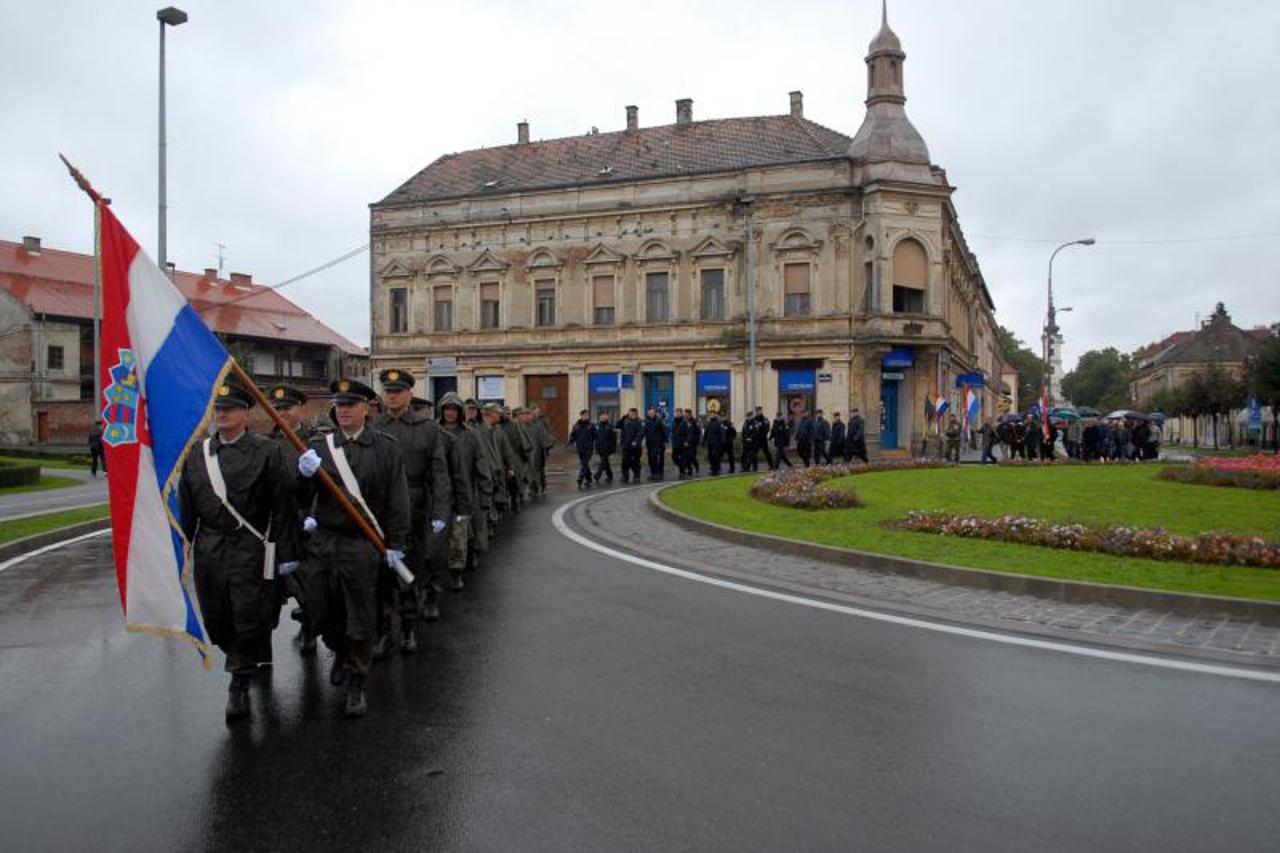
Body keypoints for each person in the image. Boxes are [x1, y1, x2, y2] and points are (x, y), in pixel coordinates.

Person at [179, 377, 301, 720]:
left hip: (251, 547)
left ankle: (239, 680)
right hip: (211, 550)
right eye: (218, 409)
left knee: (249, 614)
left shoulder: (267, 451)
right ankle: (240, 656)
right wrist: (182, 549)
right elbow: (187, 506)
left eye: (230, 409)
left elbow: (282, 506)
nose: (223, 414)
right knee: (217, 616)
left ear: (246, 413)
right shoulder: (198, 454)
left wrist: (288, 555)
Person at [296, 378, 410, 718]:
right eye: (338, 404)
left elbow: (397, 499)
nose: (343, 409)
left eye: (350, 404)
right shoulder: (319, 446)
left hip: (363, 544)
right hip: (325, 541)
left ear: (366, 409)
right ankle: (341, 653)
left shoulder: (385, 448)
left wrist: (397, 543)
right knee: (322, 608)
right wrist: (304, 477)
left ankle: (357, 679)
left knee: (360, 614)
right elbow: (301, 499)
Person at [371, 369, 450, 655]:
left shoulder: (427, 429)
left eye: (397, 392)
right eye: (388, 392)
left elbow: (439, 474)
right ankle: (381, 632)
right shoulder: (373, 428)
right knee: (379, 577)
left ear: (409, 395)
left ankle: (407, 628)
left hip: (414, 511)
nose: (392, 397)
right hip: (378, 514)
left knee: (408, 574)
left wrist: (440, 512)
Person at [265, 383, 319, 655]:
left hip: (302, 521)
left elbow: (325, 486)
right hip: (273, 524)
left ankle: (310, 626)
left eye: (286, 408)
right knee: (270, 586)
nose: (281, 413)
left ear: (300, 409)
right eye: (277, 409)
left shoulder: (315, 442)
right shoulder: (265, 444)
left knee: (305, 582)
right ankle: (260, 646)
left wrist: (313, 516)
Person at [438, 392, 491, 590]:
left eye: (454, 409)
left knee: (460, 534)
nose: (450, 413)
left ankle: (456, 571)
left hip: (465, 492)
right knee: (438, 536)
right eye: (446, 409)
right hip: (439, 494)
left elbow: (481, 462)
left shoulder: (470, 435)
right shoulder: (434, 432)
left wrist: (486, 491)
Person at [569, 409, 597, 488]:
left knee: (584, 463)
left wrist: (596, 445)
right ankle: (589, 479)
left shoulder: (591, 425)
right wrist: (571, 441)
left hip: (589, 448)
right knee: (584, 464)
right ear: (581, 416)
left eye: (587, 415)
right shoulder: (576, 425)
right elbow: (573, 435)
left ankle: (580, 478)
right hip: (580, 448)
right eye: (584, 415)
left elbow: (596, 436)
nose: (585, 417)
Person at [619, 407, 644, 483]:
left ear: (636, 414)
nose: (631, 415)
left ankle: (636, 476)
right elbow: (619, 426)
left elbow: (640, 433)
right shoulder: (625, 421)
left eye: (632, 413)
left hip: (635, 447)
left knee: (636, 462)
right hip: (626, 446)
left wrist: (636, 441)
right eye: (629, 413)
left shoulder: (639, 422)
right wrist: (621, 441)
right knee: (625, 462)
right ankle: (625, 476)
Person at [643, 407, 667, 480]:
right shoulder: (646, 421)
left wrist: (663, 442)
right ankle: (653, 473)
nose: (651, 414)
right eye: (649, 413)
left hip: (657, 443)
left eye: (652, 413)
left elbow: (663, 432)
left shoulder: (659, 420)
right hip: (649, 443)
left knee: (654, 457)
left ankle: (656, 473)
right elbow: (643, 432)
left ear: (654, 413)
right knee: (650, 459)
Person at [594, 410, 617, 483]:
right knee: (605, 462)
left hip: (608, 448)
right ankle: (610, 475)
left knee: (603, 462)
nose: (603, 417)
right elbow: (596, 437)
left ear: (607, 417)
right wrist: (596, 446)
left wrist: (613, 447)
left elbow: (614, 438)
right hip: (600, 447)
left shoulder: (610, 426)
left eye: (605, 416)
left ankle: (598, 474)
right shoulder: (597, 426)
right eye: (601, 416)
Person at [671, 410, 690, 477]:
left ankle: (682, 472)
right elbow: (673, 432)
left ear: (681, 414)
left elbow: (688, 433)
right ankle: (682, 467)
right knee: (674, 457)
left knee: (683, 458)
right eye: (677, 413)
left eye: (679, 413)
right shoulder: (674, 422)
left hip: (683, 443)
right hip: (675, 443)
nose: (678, 414)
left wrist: (687, 441)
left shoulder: (684, 422)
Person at [686, 410, 702, 476]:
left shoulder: (694, 422)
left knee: (692, 457)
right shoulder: (684, 422)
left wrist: (696, 441)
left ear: (690, 414)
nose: (686, 415)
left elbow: (698, 432)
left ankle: (697, 468)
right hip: (686, 443)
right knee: (687, 457)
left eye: (687, 414)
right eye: (685, 414)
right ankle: (690, 470)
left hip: (693, 443)